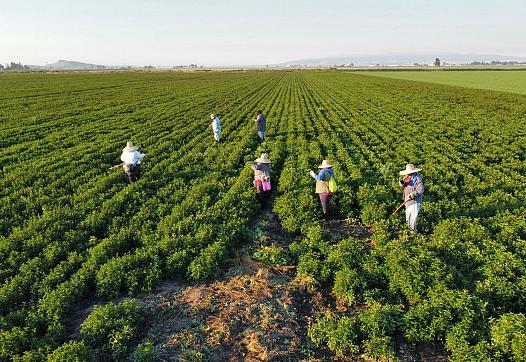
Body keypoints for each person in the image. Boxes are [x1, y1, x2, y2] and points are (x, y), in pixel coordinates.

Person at [399, 163, 424, 233]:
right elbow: (405, 185)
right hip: (407, 201)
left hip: (414, 201)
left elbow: (421, 189)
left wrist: (413, 194)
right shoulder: (406, 177)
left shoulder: (417, 179)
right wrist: (402, 184)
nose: (408, 174)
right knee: (408, 217)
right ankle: (409, 230)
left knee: (413, 217)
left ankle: (413, 232)